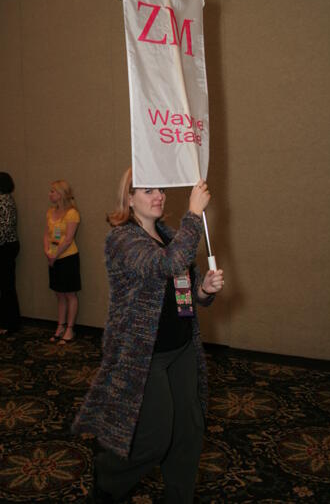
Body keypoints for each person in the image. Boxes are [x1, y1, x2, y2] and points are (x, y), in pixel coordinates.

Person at [72, 167, 224, 503]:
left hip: (181, 347)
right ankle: (109, 480)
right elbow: (165, 266)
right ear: (129, 199)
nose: (158, 196)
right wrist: (194, 214)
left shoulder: (170, 236)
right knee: (156, 437)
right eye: (147, 190)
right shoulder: (122, 239)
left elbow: (183, 293)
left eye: (160, 190)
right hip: (146, 355)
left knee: (188, 432)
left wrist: (203, 291)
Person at [44, 180, 81, 344]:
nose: (49, 194)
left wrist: (55, 255)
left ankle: (70, 329)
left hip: (67, 258)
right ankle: (60, 326)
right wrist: (47, 252)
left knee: (70, 294)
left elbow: (68, 239)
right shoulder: (50, 212)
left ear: (61, 194)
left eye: (53, 191)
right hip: (53, 258)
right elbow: (46, 235)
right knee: (59, 294)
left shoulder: (72, 213)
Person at [0, 172, 21, 335]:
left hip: (4, 247)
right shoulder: (3, 199)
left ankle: (9, 323)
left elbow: (6, 225)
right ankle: (8, 321)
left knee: (6, 286)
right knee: (5, 285)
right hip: (4, 246)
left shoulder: (4, 200)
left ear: (0, 183)